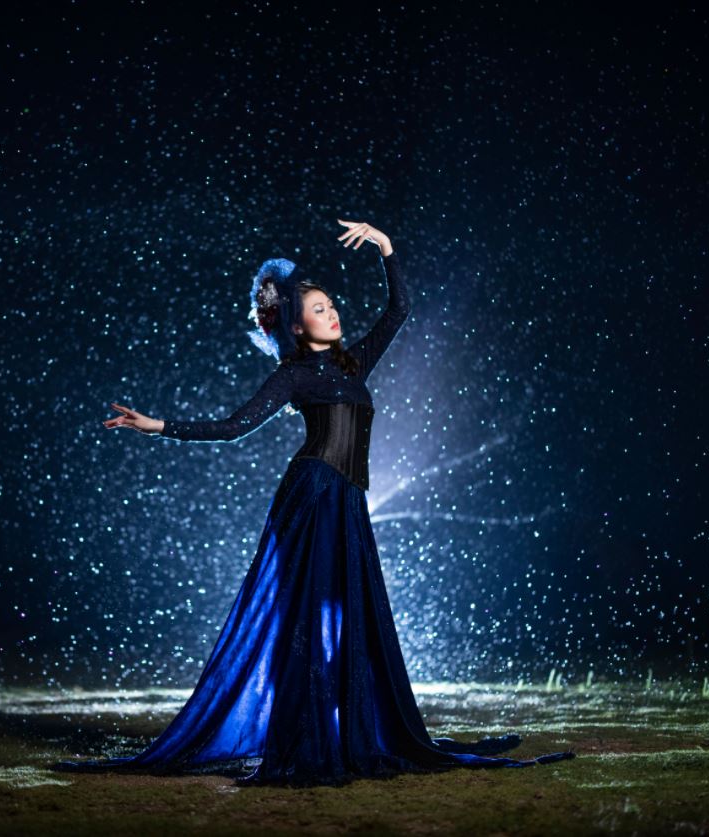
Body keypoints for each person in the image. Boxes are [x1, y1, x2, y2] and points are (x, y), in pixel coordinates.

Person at [51, 219, 576, 787]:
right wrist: (158, 425)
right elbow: (233, 428)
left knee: (349, 614)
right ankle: (307, 734)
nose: (333, 313)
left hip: (347, 500)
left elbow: (400, 310)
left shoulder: (353, 364)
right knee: (308, 615)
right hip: (314, 493)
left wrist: (386, 249)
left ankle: (348, 728)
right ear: (298, 326)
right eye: (320, 308)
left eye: (332, 305)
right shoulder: (294, 375)